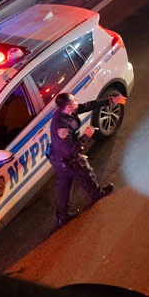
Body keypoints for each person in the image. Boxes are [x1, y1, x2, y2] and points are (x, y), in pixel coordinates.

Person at [49, 91, 126, 227]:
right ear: (67, 107)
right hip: (68, 160)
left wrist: (111, 100)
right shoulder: (62, 126)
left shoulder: (68, 112)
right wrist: (86, 136)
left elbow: (88, 105)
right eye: (74, 102)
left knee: (64, 187)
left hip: (59, 160)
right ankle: (98, 195)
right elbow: (69, 150)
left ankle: (63, 215)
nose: (76, 102)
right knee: (87, 174)